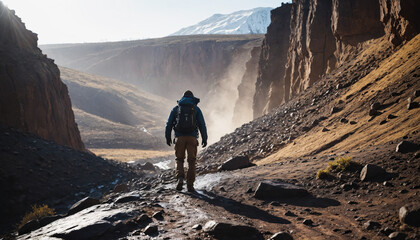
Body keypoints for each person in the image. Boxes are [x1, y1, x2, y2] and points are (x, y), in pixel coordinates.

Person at [165, 90, 208, 192]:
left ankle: (180, 178)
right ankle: (190, 185)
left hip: (179, 138)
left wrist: (168, 137)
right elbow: (202, 124)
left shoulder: (176, 108)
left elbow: (169, 124)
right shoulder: (196, 109)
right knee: (191, 161)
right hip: (192, 138)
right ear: (192, 98)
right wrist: (204, 138)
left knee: (179, 159)